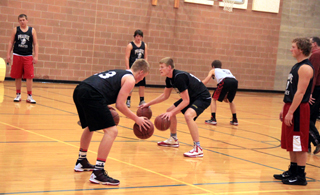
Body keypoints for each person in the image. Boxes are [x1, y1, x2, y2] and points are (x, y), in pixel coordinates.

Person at [73, 59, 152, 185]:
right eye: (144, 77)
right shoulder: (131, 80)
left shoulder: (119, 72)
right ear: (141, 72)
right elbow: (120, 105)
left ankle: (81, 161)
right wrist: (137, 119)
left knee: (90, 126)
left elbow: (104, 87)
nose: (141, 80)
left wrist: (103, 105)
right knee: (112, 131)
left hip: (80, 90)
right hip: (92, 94)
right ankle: (98, 172)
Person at [140, 57, 211, 157]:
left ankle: (198, 148)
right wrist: (148, 104)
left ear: (169, 67)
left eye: (162, 67)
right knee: (169, 110)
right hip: (192, 96)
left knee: (188, 115)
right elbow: (165, 96)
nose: (160, 69)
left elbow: (186, 101)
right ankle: (173, 139)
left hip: (202, 97)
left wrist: (172, 113)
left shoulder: (179, 77)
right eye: (159, 67)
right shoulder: (169, 79)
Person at [273, 38, 313, 186]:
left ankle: (301, 176)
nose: (291, 49)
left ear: (300, 49)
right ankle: (293, 170)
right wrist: (284, 108)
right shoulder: (297, 66)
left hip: (298, 110)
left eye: (293, 47)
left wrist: (290, 112)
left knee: (298, 142)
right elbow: (291, 90)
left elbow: (301, 93)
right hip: (291, 106)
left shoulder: (305, 68)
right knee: (291, 141)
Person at [6, 14, 38, 104]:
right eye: (20, 20)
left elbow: (35, 44)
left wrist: (36, 56)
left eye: (23, 20)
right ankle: (18, 95)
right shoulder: (16, 30)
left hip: (28, 56)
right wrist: (8, 54)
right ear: (18, 21)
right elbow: (11, 42)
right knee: (17, 76)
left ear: (27, 20)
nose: (22, 22)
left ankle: (29, 96)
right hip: (17, 55)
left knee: (29, 76)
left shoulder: (32, 30)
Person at [202, 60, 238, 126]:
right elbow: (230, 80)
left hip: (225, 81)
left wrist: (200, 84)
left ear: (213, 66)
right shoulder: (227, 70)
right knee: (230, 100)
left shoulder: (213, 70)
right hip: (234, 81)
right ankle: (235, 120)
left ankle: (213, 119)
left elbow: (207, 78)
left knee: (213, 99)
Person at [125, 29, 148, 108]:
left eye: (140, 36)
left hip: (141, 68)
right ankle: (128, 99)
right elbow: (127, 57)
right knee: (131, 83)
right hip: (133, 68)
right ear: (134, 36)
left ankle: (142, 100)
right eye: (137, 36)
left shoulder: (144, 45)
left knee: (142, 84)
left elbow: (145, 57)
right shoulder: (130, 45)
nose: (138, 38)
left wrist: (146, 67)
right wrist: (128, 69)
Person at [308, 37, 320, 155]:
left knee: (306, 117)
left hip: (316, 89)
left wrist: (309, 92)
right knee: (311, 117)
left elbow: (314, 74)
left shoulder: (316, 55)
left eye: (310, 42)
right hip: (317, 89)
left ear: (315, 44)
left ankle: (318, 141)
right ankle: (307, 145)